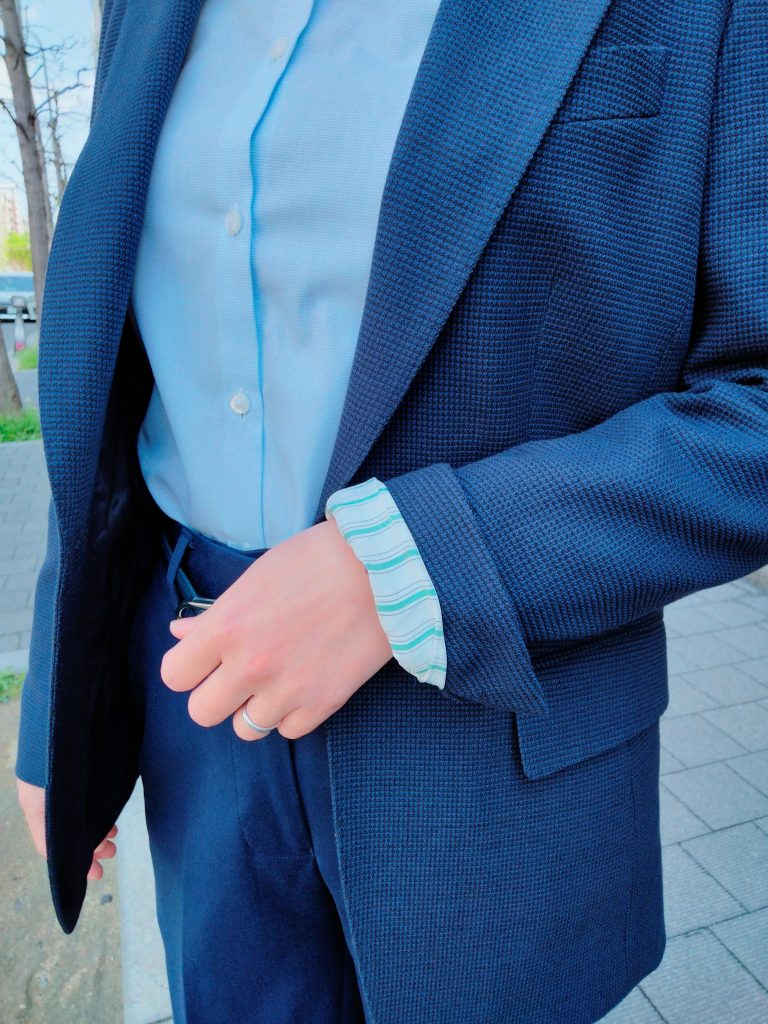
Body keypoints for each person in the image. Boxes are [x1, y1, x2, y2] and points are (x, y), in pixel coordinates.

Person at [14, 0, 768, 1022]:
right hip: (199, 684)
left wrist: (408, 567)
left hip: (490, 733)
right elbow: (112, 388)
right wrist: (59, 701)